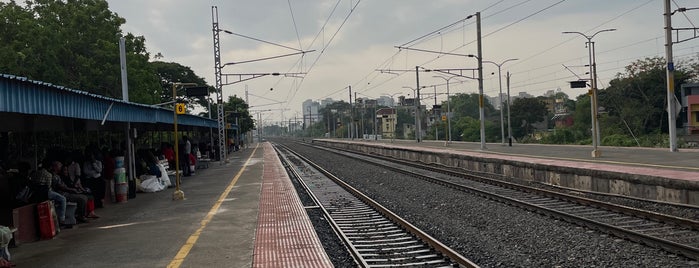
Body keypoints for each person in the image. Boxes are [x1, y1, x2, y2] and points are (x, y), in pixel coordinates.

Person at [31, 158, 69, 228]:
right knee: (63, 199)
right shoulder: (48, 174)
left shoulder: (35, 173)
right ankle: (62, 220)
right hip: (45, 193)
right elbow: (48, 187)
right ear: (50, 167)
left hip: (35, 193)